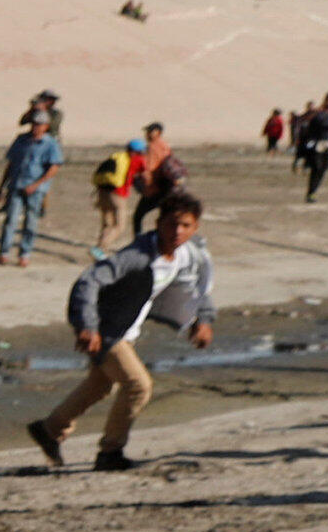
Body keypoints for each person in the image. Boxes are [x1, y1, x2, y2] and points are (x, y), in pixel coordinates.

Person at [26, 193, 215, 473]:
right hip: (106, 331)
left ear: (195, 227)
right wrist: (87, 326)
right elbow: (88, 281)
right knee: (138, 385)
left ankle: (49, 429)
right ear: (159, 222)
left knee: (100, 385)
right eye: (172, 224)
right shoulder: (137, 256)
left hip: (126, 331)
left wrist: (203, 319)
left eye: (185, 225)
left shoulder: (188, 254)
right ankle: (110, 452)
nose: (177, 232)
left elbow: (198, 287)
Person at [0, 115, 62, 267]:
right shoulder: (21, 140)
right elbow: (11, 164)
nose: (36, 127)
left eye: (39, 125)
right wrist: (2, 186)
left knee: (31, 222)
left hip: (35, 189)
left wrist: (37, 185)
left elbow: (54, 168)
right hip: (16, 185)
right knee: (11, 220)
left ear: (46, 126)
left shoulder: (50, 144)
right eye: (34, 124)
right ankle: (4, 252)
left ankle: (25, 253)